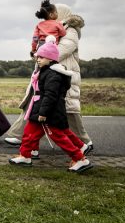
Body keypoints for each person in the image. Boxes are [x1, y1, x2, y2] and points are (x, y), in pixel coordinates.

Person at [4, 4, 94, 152]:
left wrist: (41, 54)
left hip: (63, 73)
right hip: (46, 72)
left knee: (69, 111)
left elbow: (61, 51)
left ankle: (84, 141)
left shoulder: (70, 31)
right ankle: (19, 135)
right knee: (33, 103)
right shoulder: (51, 27)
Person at [9, 40, 93, 173]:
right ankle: (25, 156)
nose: (38, 59)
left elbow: (50, 96)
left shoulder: (53, 74)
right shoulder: (46, 71)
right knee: (29, 134)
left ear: (51, 58)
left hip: (49, 112)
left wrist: (43, 113)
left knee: (58, 136)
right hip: (40, 109)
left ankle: (80, 159)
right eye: (37, 57)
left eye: (41, 57)